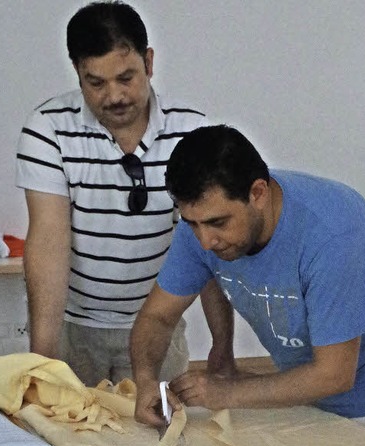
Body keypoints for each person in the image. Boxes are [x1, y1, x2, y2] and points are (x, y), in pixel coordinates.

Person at [131, 124, 365, 445]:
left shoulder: (333, 234)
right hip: (307, 378)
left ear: (258, 194)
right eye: (192, 224)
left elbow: (336, 374)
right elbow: (158, 316)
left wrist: (225, 391)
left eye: (218, 223)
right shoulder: (203, 225)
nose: (204, 241)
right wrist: (147, 380)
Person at [16, 1, 233, 386]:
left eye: (126, 78)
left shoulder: (192, 134)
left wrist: (223, 344)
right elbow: (49, 238)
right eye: (95, 83)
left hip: (158, 325)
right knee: (70, 436)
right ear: (78, 73)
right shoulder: (47, 129)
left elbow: (208, 245)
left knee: (160, 437)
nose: (113, 96)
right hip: (74, 329)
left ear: (148, 62)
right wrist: (43, 357)